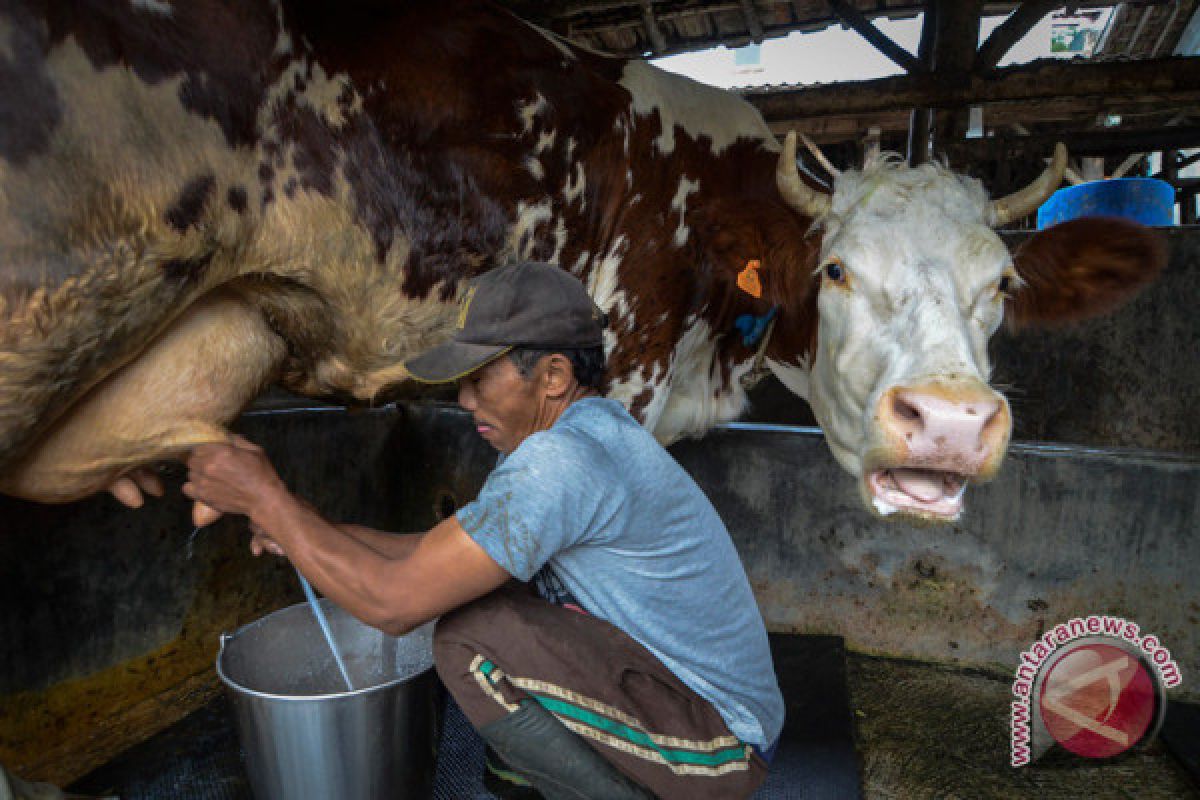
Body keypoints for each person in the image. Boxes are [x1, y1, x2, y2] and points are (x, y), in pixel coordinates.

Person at [184, 261, 784, 799]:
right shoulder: (574, 437)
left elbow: (395, 604)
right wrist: (303, 531)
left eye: (479, 378)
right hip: (692, 709)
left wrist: (267, 497)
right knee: (477, 593)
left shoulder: (560, 464)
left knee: (467, 637)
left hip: (721, 747)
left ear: (552, 376)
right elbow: (437, 558)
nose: (465, 400)